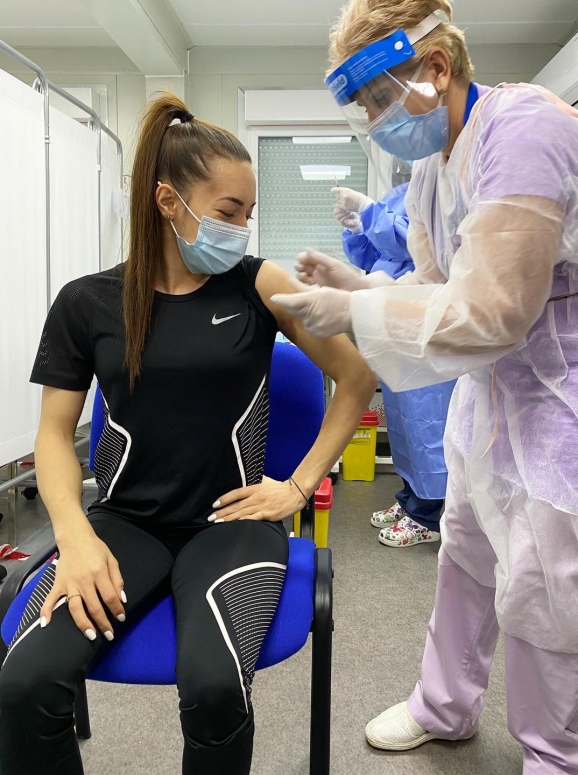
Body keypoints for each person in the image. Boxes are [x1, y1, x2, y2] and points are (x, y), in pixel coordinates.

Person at [272, 1, 578, 773]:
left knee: (548, 577)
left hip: (573, 381)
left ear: (435, 67)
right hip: (496, 386)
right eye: (364, 107)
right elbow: (440, 288)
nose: (375, 121)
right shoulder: (434, 170)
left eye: (379, 99)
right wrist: (359, 283)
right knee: (465, 545)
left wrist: (353, 312)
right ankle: (445, 705)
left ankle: (554, 752)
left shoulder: (524, 133)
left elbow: (495, 312)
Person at [0, 94, 377, 775]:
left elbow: (355, 378)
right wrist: (75, 537)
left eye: (248, 213)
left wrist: (297, 488)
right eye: (228, 212)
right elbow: (53, 436)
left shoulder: (258, 284)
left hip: (231, 525)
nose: (241, 229)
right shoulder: (87, 303)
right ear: (168, 202)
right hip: (124, 524)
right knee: (24, 684)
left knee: (213, 690)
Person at [334, 182, 455, 547]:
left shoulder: (444, 192)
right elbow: (375, 258)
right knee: (403, 425)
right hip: (398, 323)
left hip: (426, 322)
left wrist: (371, 214)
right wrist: (359, 228)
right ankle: (409, 501)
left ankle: (428, 516)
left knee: (427, 424)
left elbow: (420, 246)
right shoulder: (404, 191)